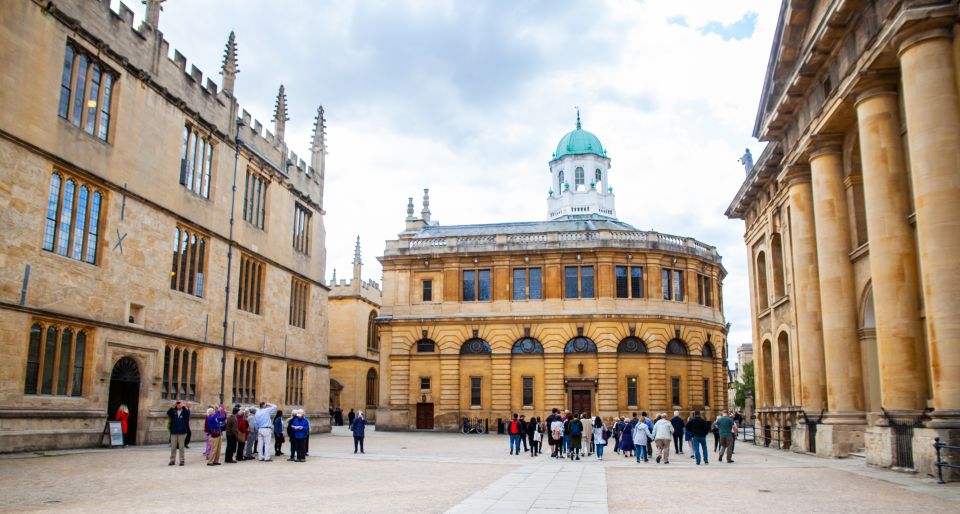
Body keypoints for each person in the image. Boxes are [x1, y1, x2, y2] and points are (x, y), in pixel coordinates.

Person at [166, 400, 190, 466]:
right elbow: (168, 413)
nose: (178, 405)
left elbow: (188, 413)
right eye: (178, 404)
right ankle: (172, 460)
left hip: (182, 432)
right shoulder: (173, 411)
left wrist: (184, 406)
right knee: (173, 447)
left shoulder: (185, 411)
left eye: (180, 404)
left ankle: (182, 460)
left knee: (181, 447)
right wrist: (172, 407)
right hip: (174, 432)